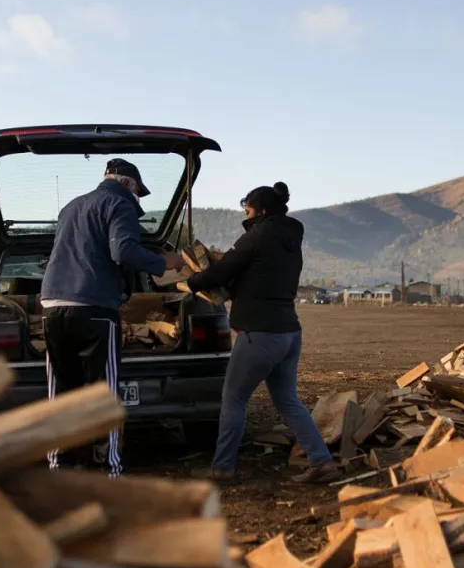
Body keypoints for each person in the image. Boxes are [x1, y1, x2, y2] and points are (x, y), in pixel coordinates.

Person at [187, 182, 340, 484]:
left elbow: (221, 272)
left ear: (261, 210)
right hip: (289, 332)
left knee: (233, 399)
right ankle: (322, 461)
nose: (245, 216)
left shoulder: (256, 237)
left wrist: (192, 282)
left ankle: (222, 468)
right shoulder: (291, 240)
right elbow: (257, 276)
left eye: (247, 210)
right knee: (288, 401)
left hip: (259, 334)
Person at [40, 158, 185, 477]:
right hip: (93, 307)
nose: (137, 201)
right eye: (138, 193)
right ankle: (110, 467)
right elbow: (123, 252)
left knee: (60, 385)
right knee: (104, 388)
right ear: (127, 184)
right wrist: (165, 263)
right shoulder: (120, 204)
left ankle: (57, 462)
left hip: (52, 304)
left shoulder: (72, 207)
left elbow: (77, 254)